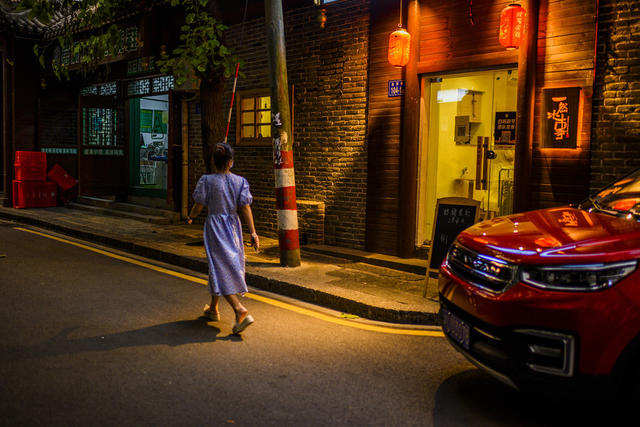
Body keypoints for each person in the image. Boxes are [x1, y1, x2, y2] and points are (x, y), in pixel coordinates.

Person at [187, 142, 259, 335]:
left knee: (219, 266)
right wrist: (253, 232)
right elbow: (245, 207)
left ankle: (239, 310)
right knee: (221, 264)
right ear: (231, 162)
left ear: (214, 162)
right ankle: (213, 309)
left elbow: (199, 204)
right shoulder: (240, 182)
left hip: (215, 226)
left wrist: (191, 216)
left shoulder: (207, 181)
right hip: (234, 227)